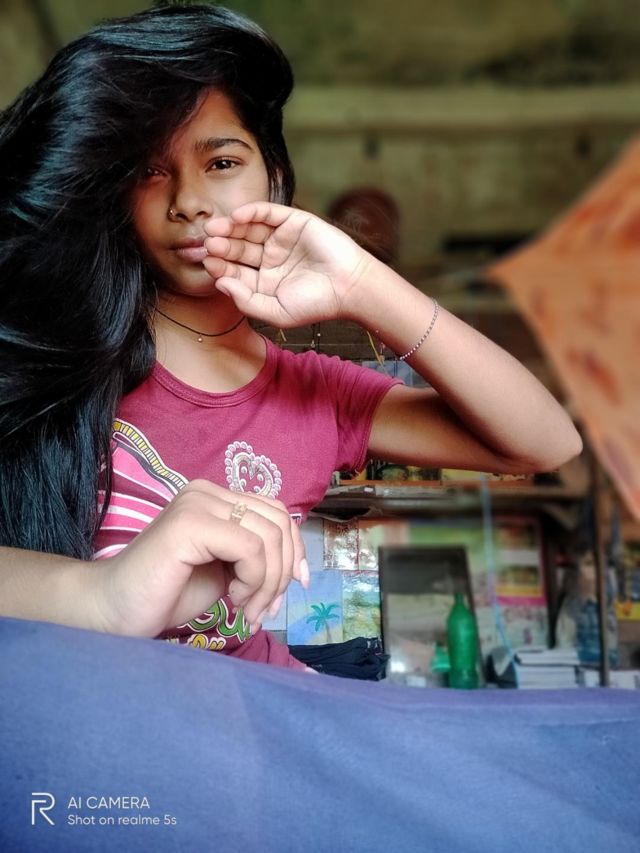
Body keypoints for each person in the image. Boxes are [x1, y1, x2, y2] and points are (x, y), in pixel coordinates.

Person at [0, 3, 582, 670]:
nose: (187, 200)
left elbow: (546, 442)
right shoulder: (50, 348)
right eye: (149, 171)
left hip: (257, 709)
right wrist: (102, 593)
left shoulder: (316, 395)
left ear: (273, 177)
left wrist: (362, 283)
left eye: (221, 162)